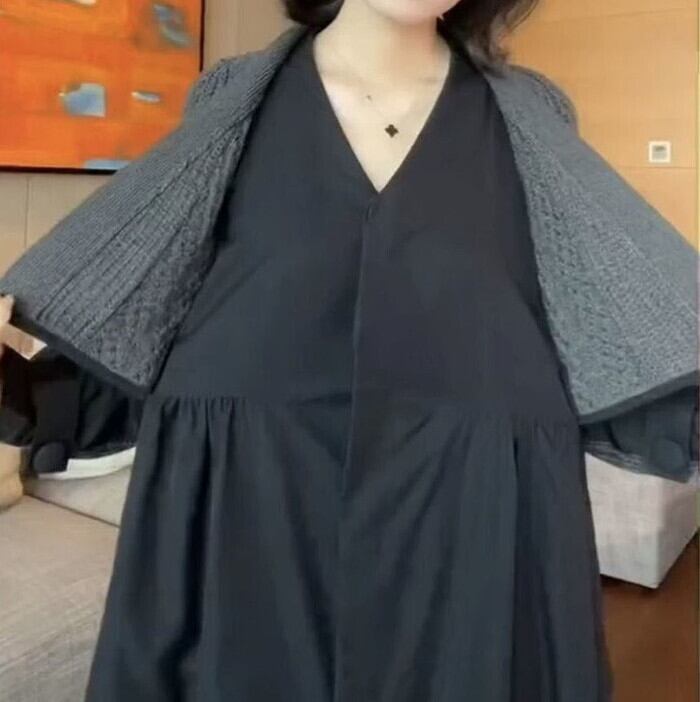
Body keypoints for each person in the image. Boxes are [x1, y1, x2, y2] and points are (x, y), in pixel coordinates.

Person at [0, 1, 697, 699]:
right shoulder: (232, 99)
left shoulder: (531, 116)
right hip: (246, 517)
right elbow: (146, 311)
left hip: (473, 525)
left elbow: (602, 327)